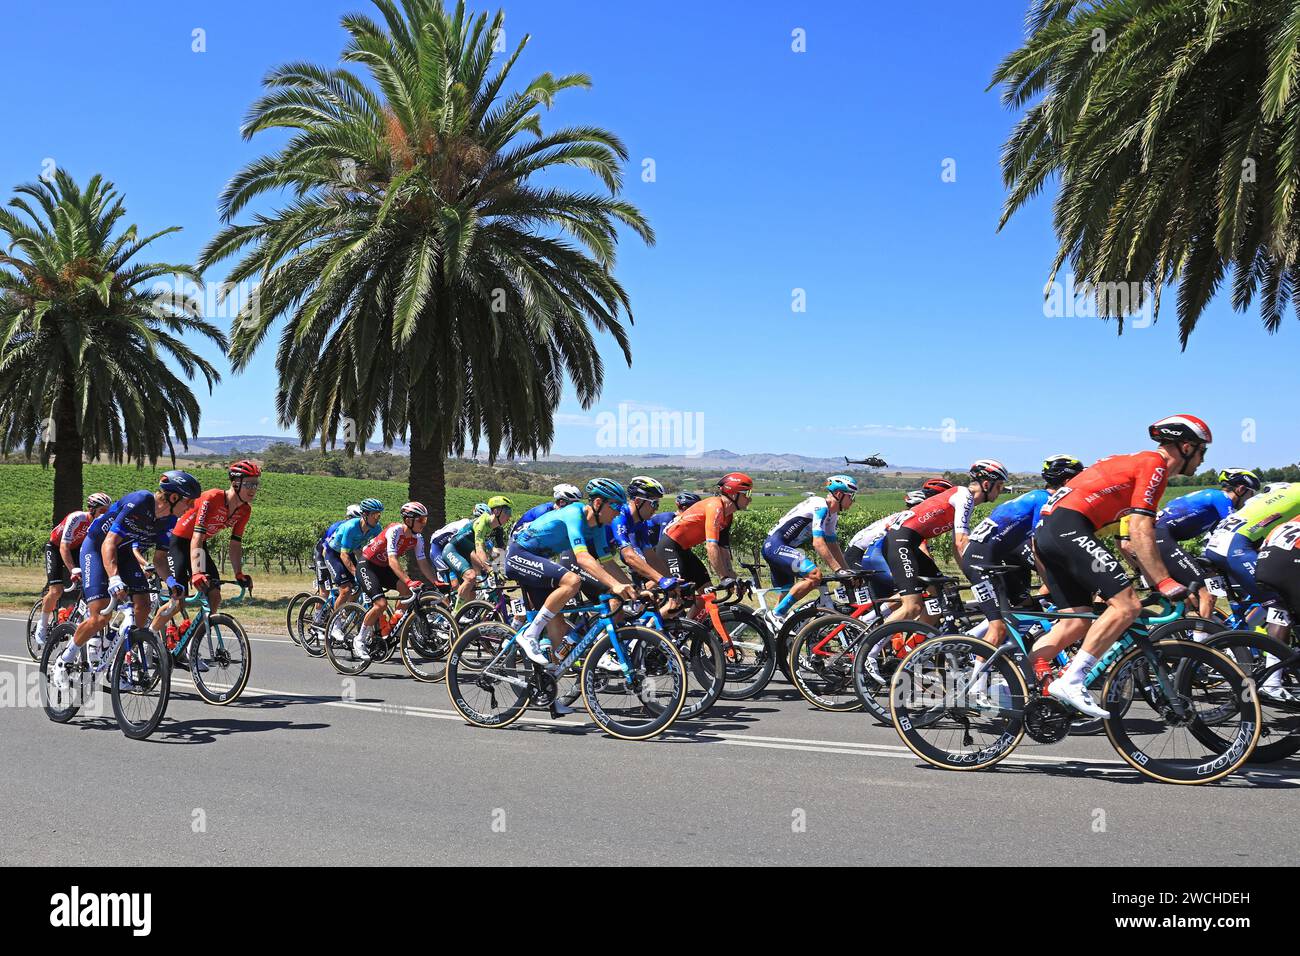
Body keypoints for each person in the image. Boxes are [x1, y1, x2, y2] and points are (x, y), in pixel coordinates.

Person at [1030, 415, 1211, 719]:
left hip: (1049, 532)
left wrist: (1154, 578)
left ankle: (1023, 681)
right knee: (1127, 606)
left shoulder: (1138, 461)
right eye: (1202, 452)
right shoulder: (1155, 465)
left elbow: (1129, 540)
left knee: (1077, 621)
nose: (1203, 461)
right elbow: (1141, 530)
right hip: (1069, 527)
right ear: (1186, 446)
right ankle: (1072, 681)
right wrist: (1165, 583)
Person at [50, 472, 201, 691]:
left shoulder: (170, 521)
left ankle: (118, 665)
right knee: (100, 615)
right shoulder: (140, 501)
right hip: (96, 546)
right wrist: (114, 578)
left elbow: (159, 560)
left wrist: (171, 581)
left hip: (123, 553)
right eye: (189, 501)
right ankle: (65, 659)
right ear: (174, 497)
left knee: (144, 605)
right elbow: (108, 543)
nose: (191, 507)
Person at [506, 478, 636, 671]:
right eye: (615, 505)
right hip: (519, 555)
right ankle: (529, 635)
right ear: (598, 503)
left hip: (539, 561)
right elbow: (582, 558)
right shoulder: (575, 514)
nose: (618, 511)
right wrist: (615, 585)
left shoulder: (598, 527)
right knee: (572, 581)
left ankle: (550, 687)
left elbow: (608, 562)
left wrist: (635, 590)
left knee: (557, 626)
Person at [960, 455, 1083, 647]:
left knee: (1026, 608)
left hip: (991, 557)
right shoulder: (1044, 500)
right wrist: (1051, 579)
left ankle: (993, 649)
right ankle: (976, 670)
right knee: (998, 628)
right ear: (1068, 482)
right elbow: (1037, 546)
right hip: (980, 560)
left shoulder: (1034, 496)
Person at [1117, 468, 1261, 617]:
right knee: (1207, 593)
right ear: (1241, 489)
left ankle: (1185, 630)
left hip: (1160, 539)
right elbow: (1238, 530)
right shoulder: (1222, 498)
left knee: (1192, 593)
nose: (1250, 499)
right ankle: (1204, 638)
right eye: (1251, 493)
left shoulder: (1210, 499)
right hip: (1161, 538)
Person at [882, 462, 1009, 626]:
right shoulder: (965, 496)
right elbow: (961, 542)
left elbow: (956, 547)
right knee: (912, 606)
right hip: (901, 542)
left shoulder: (963, 498)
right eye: (999, 486)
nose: (1000, 491)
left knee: (942, 590)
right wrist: (978, 578)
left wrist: (969, 574)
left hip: (907, 543)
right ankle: (869, 647)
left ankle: (916, 644)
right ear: (986, 484)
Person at [152, 460, 261, 641]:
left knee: (214, 595)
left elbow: (235, 544)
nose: (253, 489)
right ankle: (149, 637)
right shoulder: (213, 497)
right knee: (179, 600)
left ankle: (190, 643)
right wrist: (196, 573)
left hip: (199, 545)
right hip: (178, 542)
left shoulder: (244, 511)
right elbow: (196, 536)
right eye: (249, 484)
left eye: (256, 484)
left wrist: (239, 573)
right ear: (235, 483)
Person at [1201, 480, 1300, 639]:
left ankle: (1249, 647)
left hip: (1219, 544)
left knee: (1269, 596)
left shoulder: (1274, 496)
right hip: (1235, 547)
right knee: (1279, 606)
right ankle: (1279, 661)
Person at [353, 502, 440, 659]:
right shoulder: (395, 531)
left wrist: (436, 581)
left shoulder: (417, 538)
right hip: (368, 566)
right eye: (421, 520)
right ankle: (359, 640)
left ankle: (392, 626)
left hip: (384, 568)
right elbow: (393, 560)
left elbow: (423, 562)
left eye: (425, 520)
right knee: (380, 604)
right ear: (408, 520)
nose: (423, 524)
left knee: (408, 593)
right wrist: (408, 580)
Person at [763, 475, 857, 620]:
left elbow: (832, 545)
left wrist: (846, 571)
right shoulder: (821, 507)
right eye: (851, 496)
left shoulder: (832, 515)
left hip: (782, 547)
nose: (853, 500)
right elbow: (818, 543)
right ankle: (775, 616)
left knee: (787, 591)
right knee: (814, 575)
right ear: (839, 494)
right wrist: (838, 570)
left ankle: (774, 633)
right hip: (776, 546)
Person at [33, 492, 111, 650]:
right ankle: (42, 624)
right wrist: (72, 570)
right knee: (56, 590)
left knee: (89, 586)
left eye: (107, 511)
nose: (105, 514)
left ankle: (73, 617)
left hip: (77, 550)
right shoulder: (77, 518)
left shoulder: (101, 525)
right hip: (56, 548)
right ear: (92, 510)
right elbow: (64, 546)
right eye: (102, 511)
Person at [654, 473, 753, 587]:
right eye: (746, 493)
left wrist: (732, 577)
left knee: (708, 593)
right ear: (733, 494)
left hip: (684, 551)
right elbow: (711, 546)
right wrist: (723, 577)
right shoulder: (715, 507)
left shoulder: (728, 516)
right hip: (669, 548)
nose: (749, 499)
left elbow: (723, 549)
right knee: (677, 595)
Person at [442, 496, 513, 609]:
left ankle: (465, 621)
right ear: (496, 511)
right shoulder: (482, 522)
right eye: (507, 511)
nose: (510, 515)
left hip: (467, 554)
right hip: (453, 550)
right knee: (471, 577)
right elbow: (480, 550)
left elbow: (497, 551)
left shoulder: (496, 528)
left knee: (472, 595)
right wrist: (490, 569)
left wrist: (505, 570)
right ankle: (455, 616)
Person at [322, 498, 385, 622]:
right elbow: (343, 556)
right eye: (374, 515)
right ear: (365, 515)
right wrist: (357, 573)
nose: (377, 518)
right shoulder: (351, 527)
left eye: (379, 514)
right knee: (346, 590)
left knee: (358, 586)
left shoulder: (376, 528)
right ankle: (335, 623)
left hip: (350, 552)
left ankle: (346, 611)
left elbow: (380, 549)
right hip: (334, 553)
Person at [608, 477, 676, 586]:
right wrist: (661, 580)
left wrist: (671, 579)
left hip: (600, 560)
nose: (656, 509)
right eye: (654, 503)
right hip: (581, 558)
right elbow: (628, 556)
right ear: (638, 501)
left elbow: (650, 556)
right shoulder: (620, 517)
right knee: (620, 598)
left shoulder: (641, 523)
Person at [511, 484, 583, 540]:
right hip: (518, 540)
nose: (574, 508)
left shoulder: (556, 512)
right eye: (572, 504)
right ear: (562, 502)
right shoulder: (543, 511)